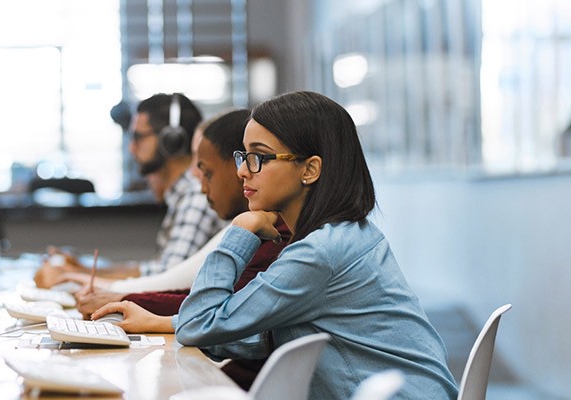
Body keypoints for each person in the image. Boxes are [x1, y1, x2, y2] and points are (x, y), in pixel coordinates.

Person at [94, 91, 458, 399]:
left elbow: (202, 323)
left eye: (259, 157)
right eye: (243, 156)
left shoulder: (319, 253)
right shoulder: (343, 234)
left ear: (310, 169)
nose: (242, 170)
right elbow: (269, 335)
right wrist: (164, 322)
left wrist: (241, 229)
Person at [73, 109, 287, 317]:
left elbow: (215, 312)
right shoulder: (261, 224)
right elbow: (206, 302)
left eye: (258, 158)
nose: (195, 177)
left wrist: (120, 298)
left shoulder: (274, 234)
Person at [36, 93, 223, 285]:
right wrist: (82, 269)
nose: (131, 148)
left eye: (138, 137)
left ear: (171, 141)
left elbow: (166, 280)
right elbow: (156, 270)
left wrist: (78, 275)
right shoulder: (183, 196)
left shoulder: (196, 197)